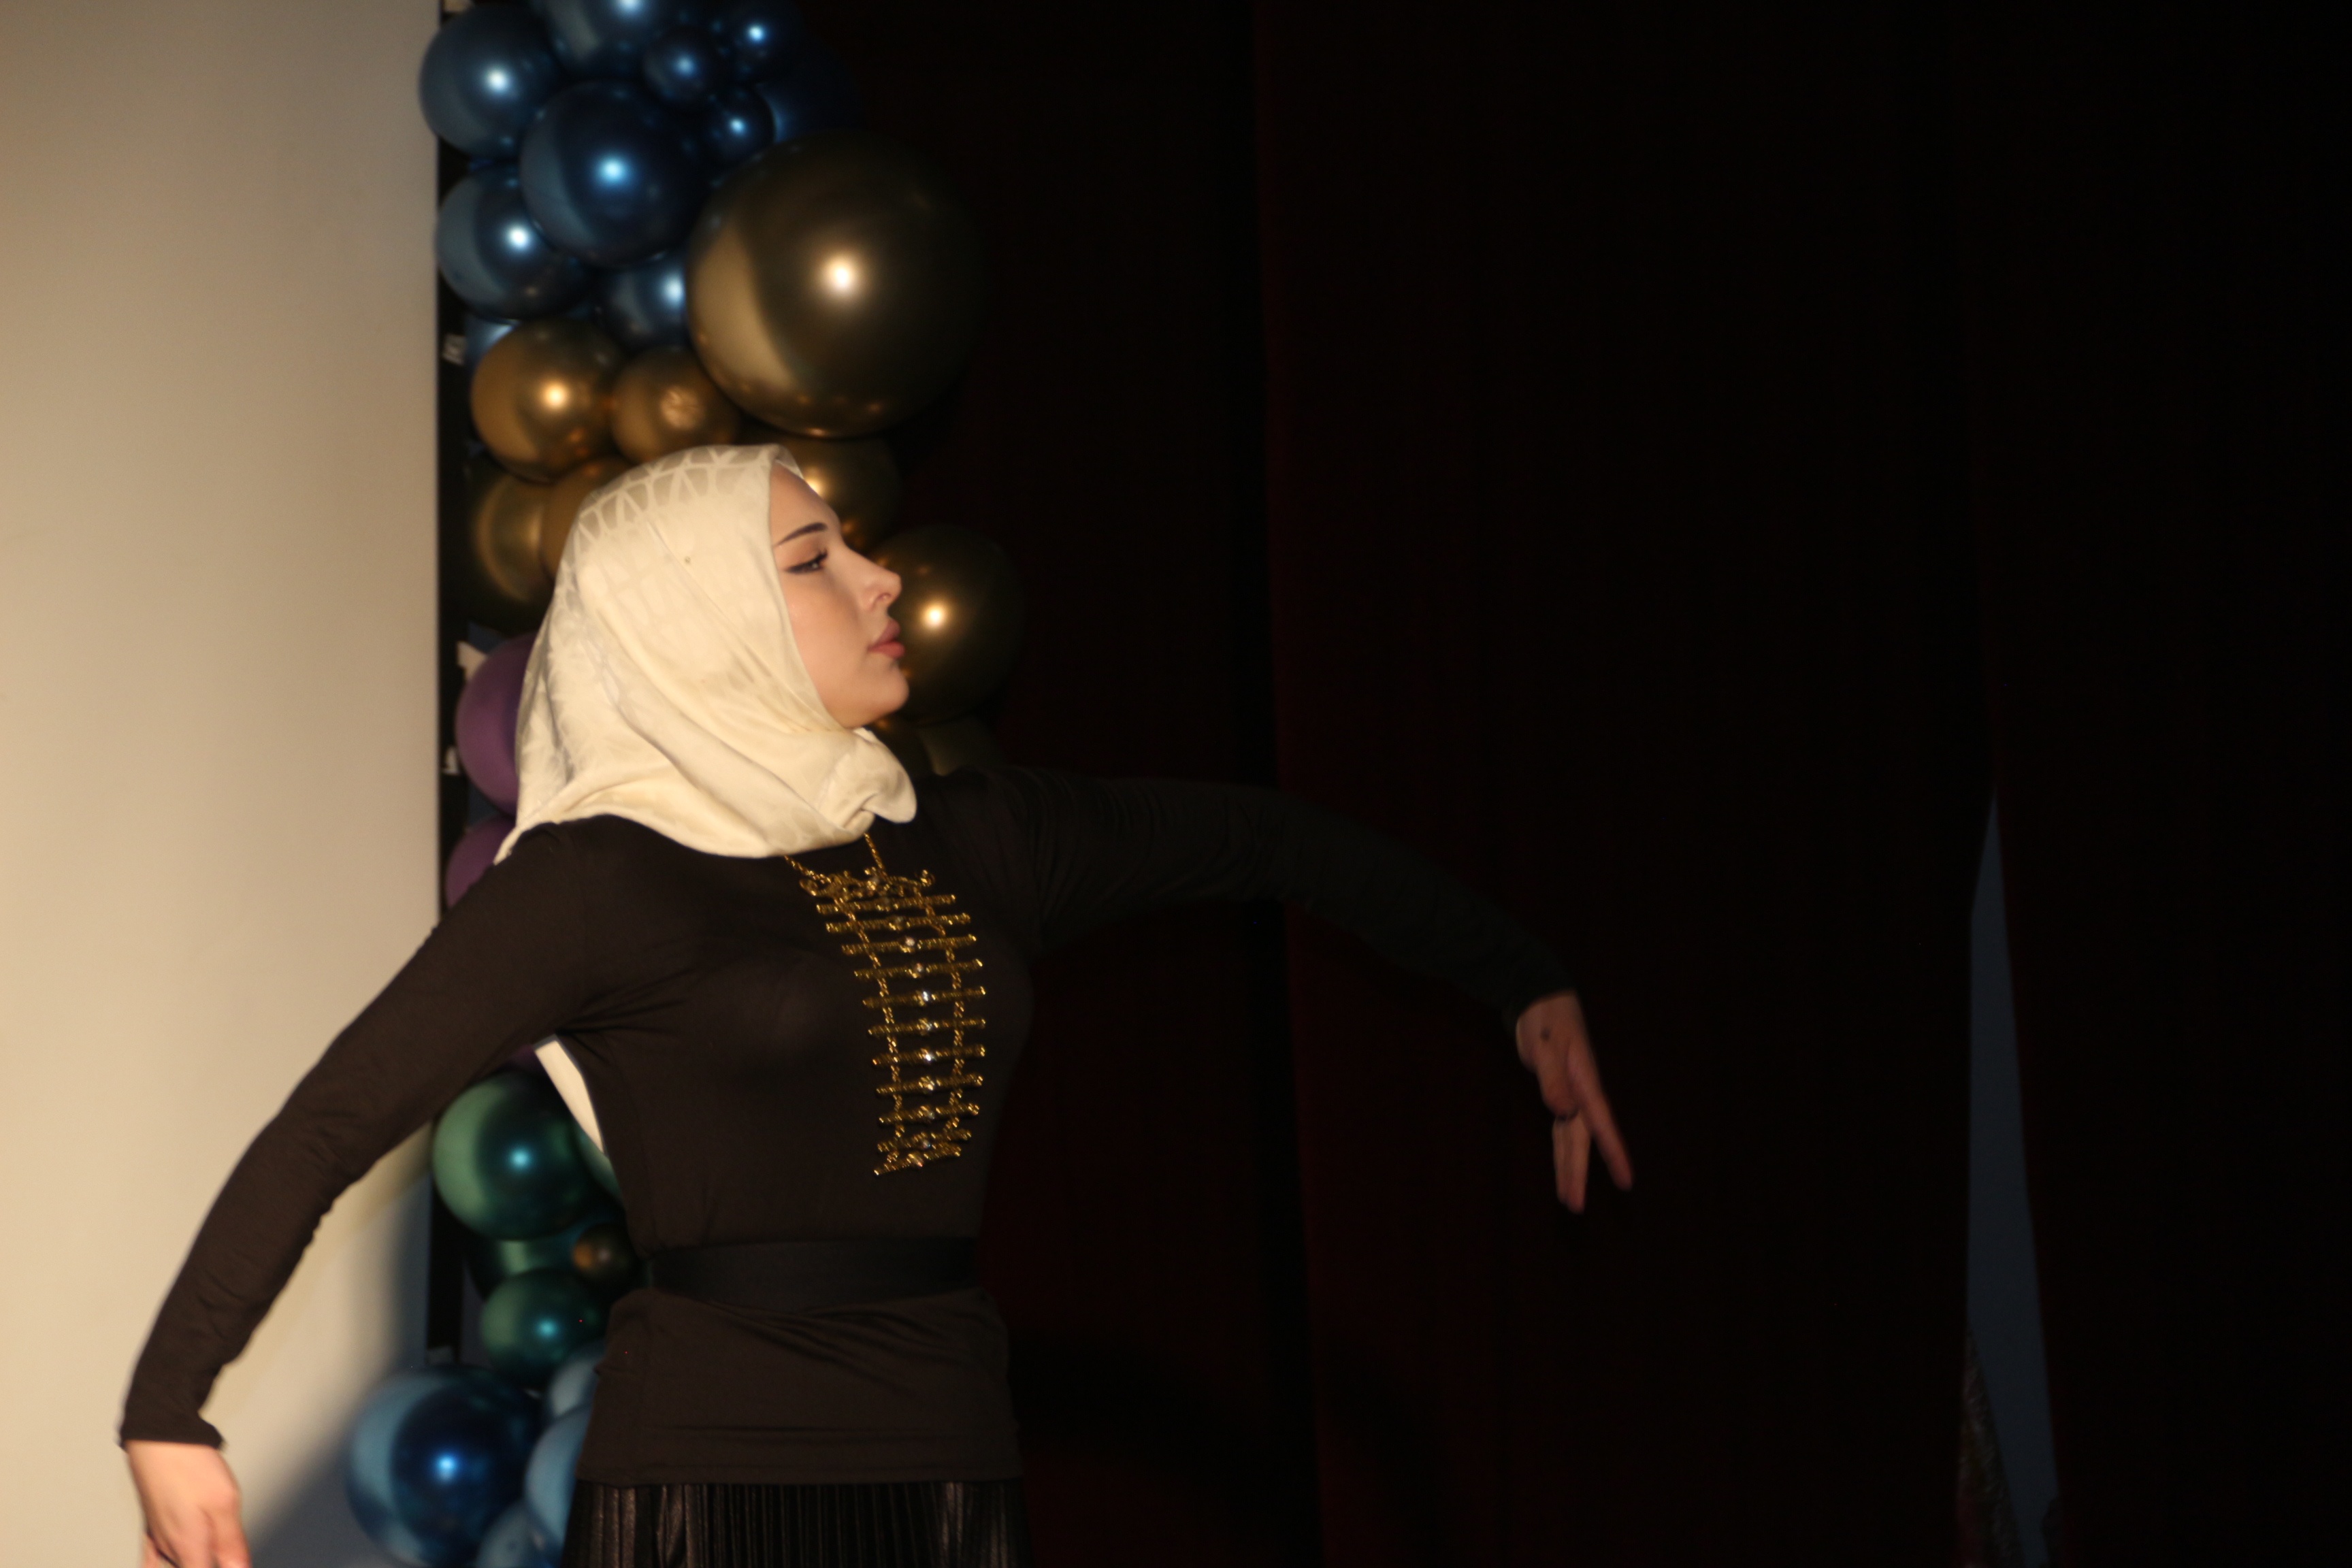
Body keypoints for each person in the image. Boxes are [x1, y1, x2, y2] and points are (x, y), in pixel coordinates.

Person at [122, 444, 1633, 1568]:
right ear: (697, 615)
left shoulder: (982, 839)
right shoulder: (599, 879)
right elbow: (331, 1122)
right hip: (703, 1481)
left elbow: (1266, 841)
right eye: (812, 558)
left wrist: (1519, 981)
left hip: (949, 1461)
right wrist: (168, 1408)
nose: (881, 577)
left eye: (852, 545)